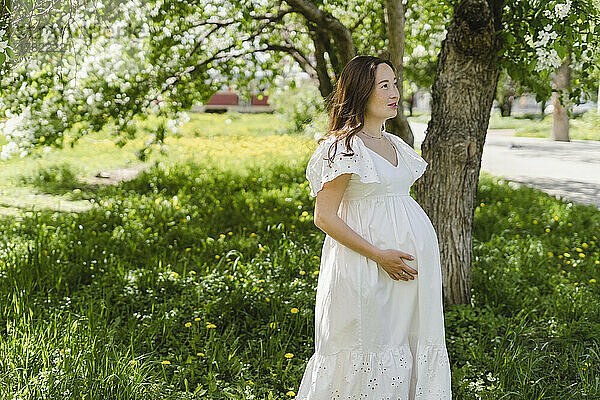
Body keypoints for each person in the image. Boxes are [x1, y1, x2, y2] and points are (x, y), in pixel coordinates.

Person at [295, 55, 452, 399]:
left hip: (406, 275)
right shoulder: (343, 147)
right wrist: (380, 256)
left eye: (395, 83)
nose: (394, 92)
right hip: (365, 269)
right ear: (362, 92)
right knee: (368, 346)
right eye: (384, 86)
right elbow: (325, 216)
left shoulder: (395, 144)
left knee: (405, 344)